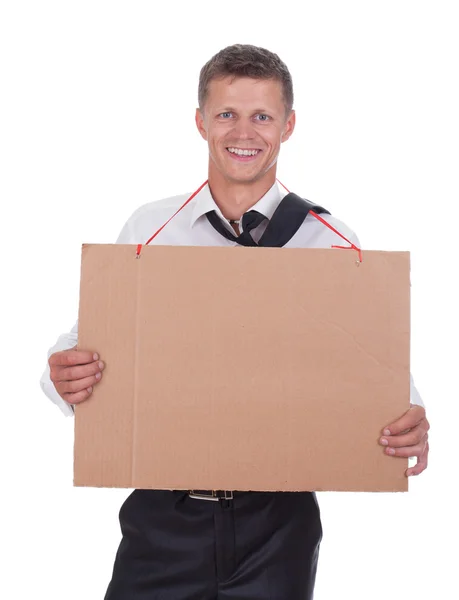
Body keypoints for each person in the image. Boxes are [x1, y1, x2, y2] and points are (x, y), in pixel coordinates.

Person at [40, 44, 430, 600]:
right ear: (200, 122)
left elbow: (370, 368)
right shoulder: (151, 228)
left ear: (288, 125)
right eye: (226, 113)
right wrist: (62, 375)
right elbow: (90, 342)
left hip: (280, 524)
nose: (243, 132)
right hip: (163, 516)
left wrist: (411, 416)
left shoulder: (331, 239)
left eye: (262, 116)